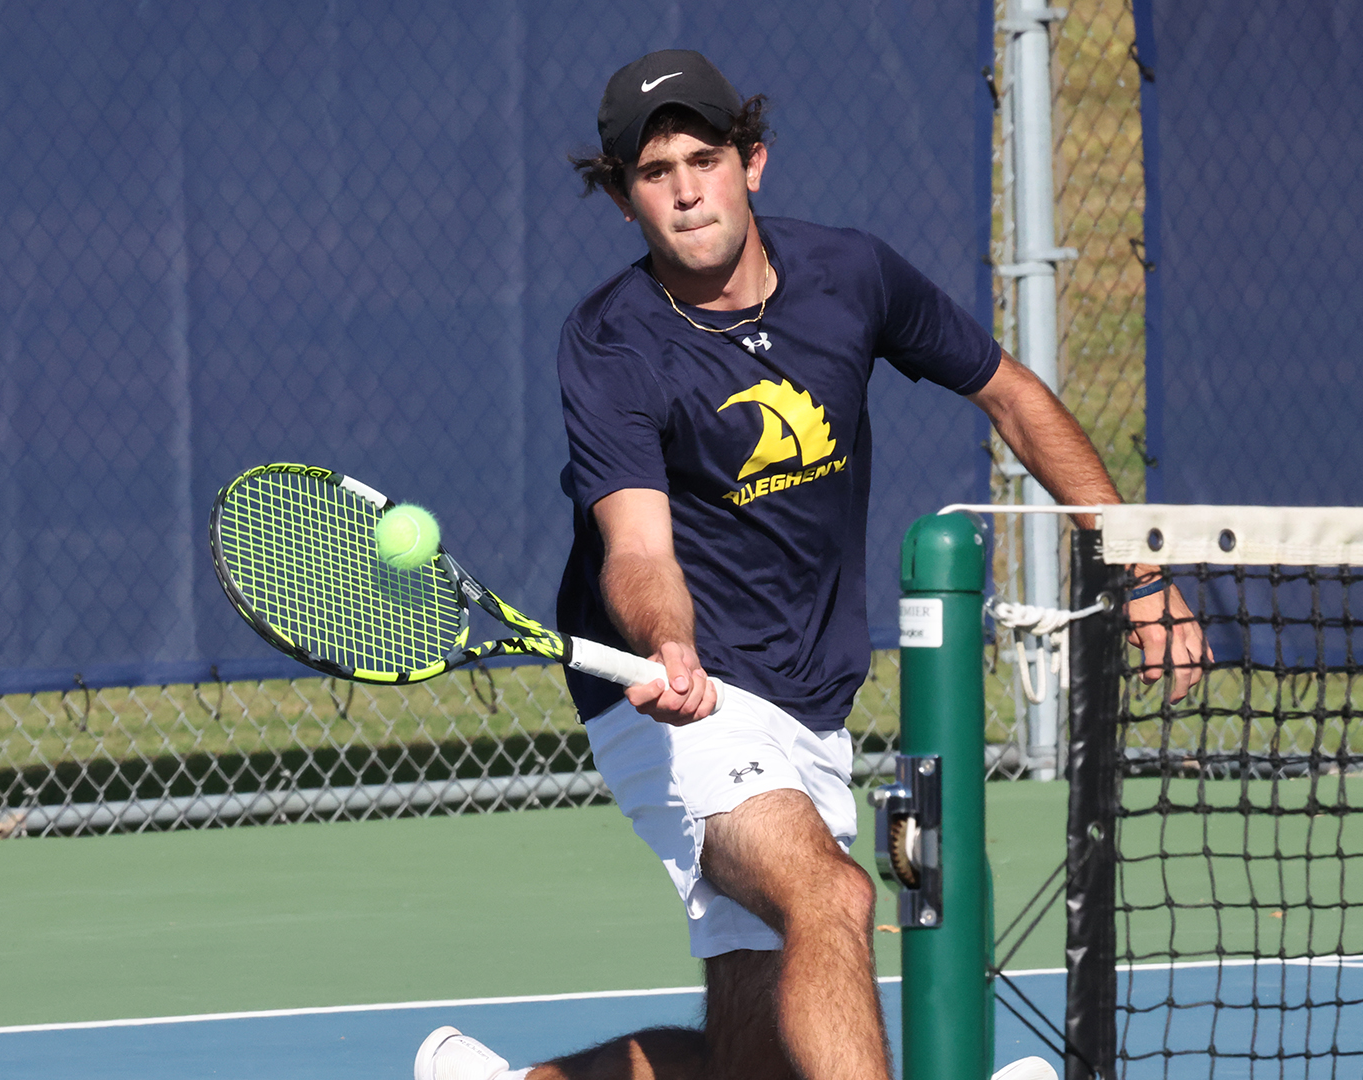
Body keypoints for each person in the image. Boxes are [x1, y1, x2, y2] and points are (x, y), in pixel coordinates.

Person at [415, 49, 1209, 1080]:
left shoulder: (851, 276)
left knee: (759, 1061)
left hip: (810, 702)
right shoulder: (611, 344)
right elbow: (639, 542)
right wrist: (669, 644)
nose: (687, 189)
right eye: (655, 174)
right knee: (833, 895)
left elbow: (1011, 394)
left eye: (705, 157)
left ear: (754, 160)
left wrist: (1137, 570)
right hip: (675, 705)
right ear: (621, 198)